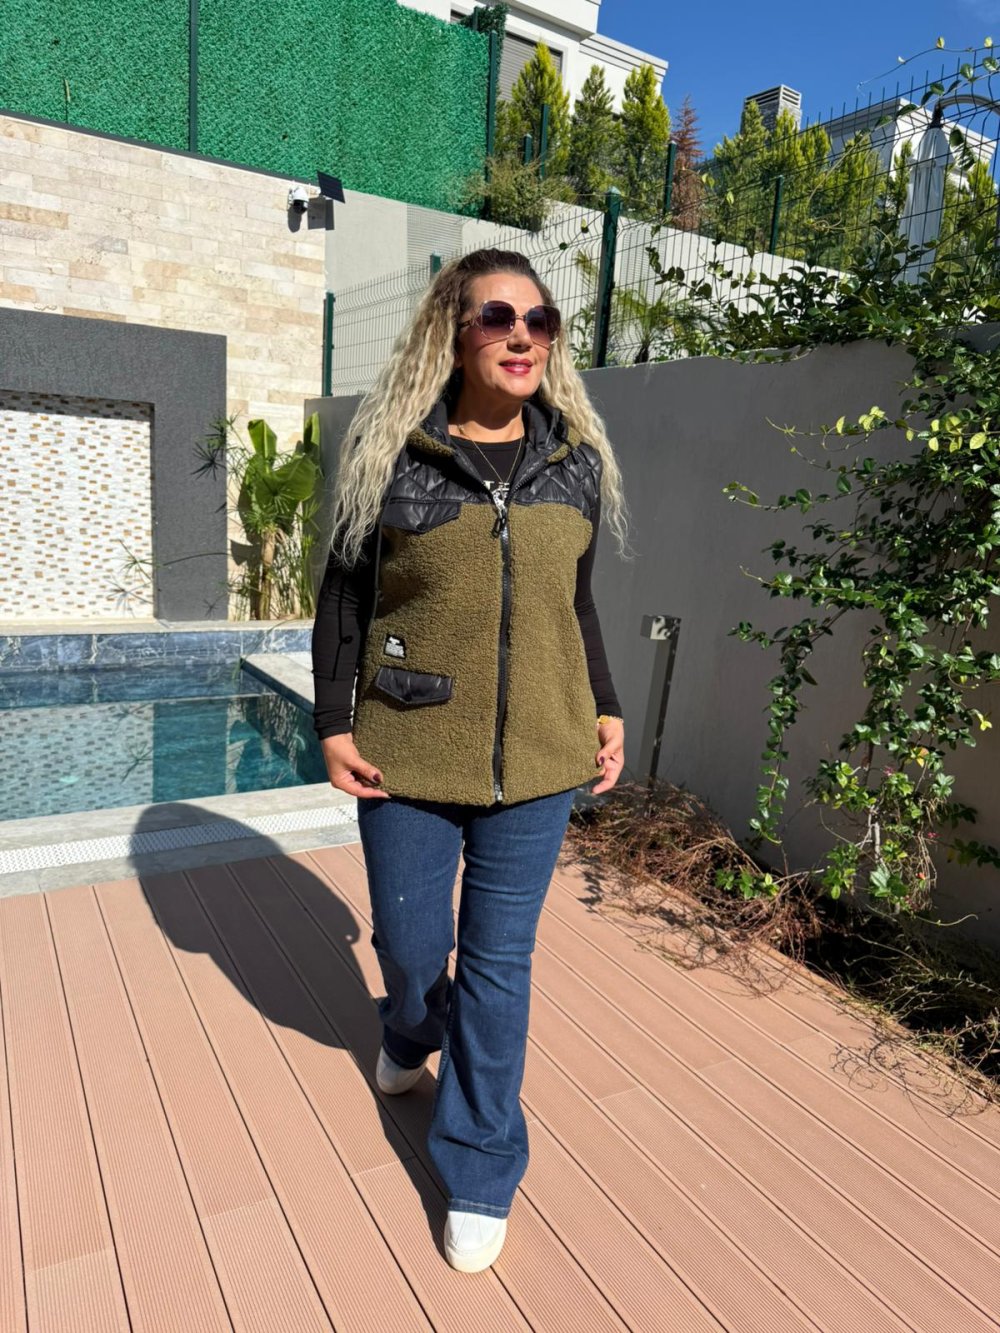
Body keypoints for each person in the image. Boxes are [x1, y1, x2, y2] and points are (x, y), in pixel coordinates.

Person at [311, 247, 628, 1272]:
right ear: (453, 332)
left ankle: (482, 1164)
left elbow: (574, 604)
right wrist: (332, 720)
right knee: (412, 947)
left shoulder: (575, 459)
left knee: (499, 964)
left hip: (540, 757)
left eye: (540, 320)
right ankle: (410, 1029)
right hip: (407, 748)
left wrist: (605, 705)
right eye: (498, 316)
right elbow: (345, 596)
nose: (522, 336)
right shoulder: (393, 454)